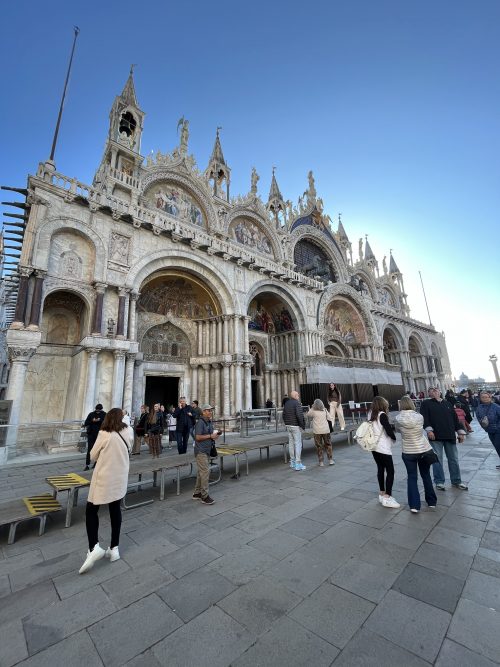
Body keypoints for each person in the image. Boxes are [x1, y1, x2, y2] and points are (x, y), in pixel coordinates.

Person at [79, 408, 134, 573]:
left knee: (91, 510)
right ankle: (114, 548)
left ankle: (93, 547)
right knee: (115, 509)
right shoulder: (129, 431)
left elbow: (93, 455)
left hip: (104, 478)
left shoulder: (104, 433)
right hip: (120, 478)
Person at [395, 396, 437, 513]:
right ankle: (431, 502)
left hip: (408, 451)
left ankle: (414, 505)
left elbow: (398, 430)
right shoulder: (419, 417)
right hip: (423, 449)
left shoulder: (398, 418)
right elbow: (421, 428)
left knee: (412, 477)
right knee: (426, 475)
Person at [420, 387, 467, 491]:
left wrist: (460, 433)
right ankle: (439, 482)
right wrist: (429, 430)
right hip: (435, 436)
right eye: (431, 390)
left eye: (436, 389)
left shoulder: (448, 404)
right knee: (437, 460)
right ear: (429, 393)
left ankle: (456, 481)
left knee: (454, 459)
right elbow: (424, 418)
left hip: (449, 435)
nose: (434, 391)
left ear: (440, 392)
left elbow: (455, 420)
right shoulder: (426, 403)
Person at [368, 396, 400, 508]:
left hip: (374, 446)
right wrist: (394, 438)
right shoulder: (382, 415)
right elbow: (388, 430)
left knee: (380, 468)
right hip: (383, 447)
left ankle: (382, 492)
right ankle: (387, 496)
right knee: (390, 470)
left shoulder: (370, 414)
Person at [193, 404, 219, 505]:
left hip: (207, 450)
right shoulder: (200, 423)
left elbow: (210, 434)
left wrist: (215, 435)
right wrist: (210, 436)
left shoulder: (209, 422)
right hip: (201, 451)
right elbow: (198, 437)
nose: (210, 412)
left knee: (201, 473)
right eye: (208, 410)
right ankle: (204, 496)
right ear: (203, 412)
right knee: (205, 473)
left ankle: (197, 493)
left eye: (211, 410)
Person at [283, 390, 306, 470]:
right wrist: (302, 426)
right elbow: (299, 415)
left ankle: (292, 462)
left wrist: (286, 423)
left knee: (291, 444)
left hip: (288, 426)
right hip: (295, 426)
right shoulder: (297, 403)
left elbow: (283, 414)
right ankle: (298, 463)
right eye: (298, 395)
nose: (299, 396)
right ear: (295, 396)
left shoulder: (286, 403)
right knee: (298, 444)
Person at [476, 391, 500, 468]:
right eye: (483, 397)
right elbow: (478, 417)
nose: (485, 399)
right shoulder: (479, 407)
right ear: (480, 398)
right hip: (489, 430)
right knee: (496, 447)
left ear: (490, 397)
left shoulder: (496, 406)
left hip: (498, 430)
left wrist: (498, 426)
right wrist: (483, 425)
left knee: (498, 445)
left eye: (486, 397)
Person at [307, 399, 334, 466]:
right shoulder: (324, 410)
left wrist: (312, 407)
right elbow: (330, 418)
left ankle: (321, 462)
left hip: (317, 431)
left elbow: (308, 414)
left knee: (319, 446)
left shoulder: (313, 411)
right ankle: (330, 460)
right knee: (328, 444)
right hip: (325, 430)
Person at [83, 404, 106, 471]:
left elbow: (106, 423)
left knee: (99, 449)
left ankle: (96, 463)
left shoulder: (104, 414)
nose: (97, 412)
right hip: (91, 434)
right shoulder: (91, 414)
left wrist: (99, 420)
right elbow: (86, 422)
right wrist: (92, 421)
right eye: (97, 410)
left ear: (101, 409)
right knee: (89, 449)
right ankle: (87, 464)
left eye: (99, 411)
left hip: (100, 435)